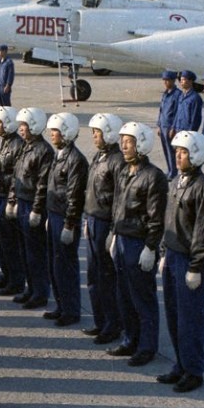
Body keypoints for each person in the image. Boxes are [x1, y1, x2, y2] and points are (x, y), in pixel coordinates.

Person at [158, 130, 204, 393]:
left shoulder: (202, 188)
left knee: (190, 320)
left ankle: (194, 371)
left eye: (183, 152)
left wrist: (196, 266)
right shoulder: (176, 182)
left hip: (188, 261)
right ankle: (180, 365)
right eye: (176, 152)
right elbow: (168, 220)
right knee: (174, 316)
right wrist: (164, 251)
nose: (178, 156)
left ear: (195, 154)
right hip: (173, 256)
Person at [107, 122, 168, 367]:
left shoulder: (153, 177)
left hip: (138, 243)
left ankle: (147, 346)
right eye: (122, 141)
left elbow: (156, 217)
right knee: (124, 295)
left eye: (129, 142)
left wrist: (151, 247)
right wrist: (113, 233)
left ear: (141, 143)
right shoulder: (125, 171)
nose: (123, 146)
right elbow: (117, 205)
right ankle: (130, 339)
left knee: (142, 298)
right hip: (122, 239)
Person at [82, 113, 126, 345]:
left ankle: (112, 325)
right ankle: (100, 321)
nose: (94, 137)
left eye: (97, 133)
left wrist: (113, 230)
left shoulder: (117, 161)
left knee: (106, 277)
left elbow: (119, 198)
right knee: (94, 276)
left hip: (105, 222)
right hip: (92, 219)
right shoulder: (99, 157)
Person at [44, 113, 88, 327]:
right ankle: (61, 305)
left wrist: (70, 224)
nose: (52, 135)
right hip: (54, 214)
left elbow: (74, 195)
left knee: (66, 266)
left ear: (67, 133)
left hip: (64, 218)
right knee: (55, 264)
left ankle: (71, 310)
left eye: (56, 131)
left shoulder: (75, 160)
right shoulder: (60, 155)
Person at [8, 107, 52, 310]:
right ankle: (31, 288)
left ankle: (40, 293)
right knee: (24, 251)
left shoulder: (44, 151)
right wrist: (13, 200)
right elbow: (16, 175)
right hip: (22, 201)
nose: (21, 129)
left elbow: (42, 183)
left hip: (32, 205)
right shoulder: (26, 147)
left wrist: (36, 209)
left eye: (24, 125)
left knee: (35, 253)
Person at [0, 106, 24, 297]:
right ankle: (6, 274)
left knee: (10, 242)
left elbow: (16, 176)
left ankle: (16, 280)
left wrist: (11, 200)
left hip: (6, 198)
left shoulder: (17, 145)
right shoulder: (2, 142)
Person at [156, 70, 180, 180]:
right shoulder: (165, 94)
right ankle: (170, 170)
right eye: (164, 80)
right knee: (166, 150)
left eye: (168, 80)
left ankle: (173, 172)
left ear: (173, 81)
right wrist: (159, 125)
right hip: (163, 125)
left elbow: (177, 113)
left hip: (170, 126)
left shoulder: (177, 94)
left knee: (171, 151)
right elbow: (161, 110)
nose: (165, 82)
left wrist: (173, 127)